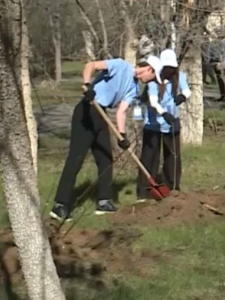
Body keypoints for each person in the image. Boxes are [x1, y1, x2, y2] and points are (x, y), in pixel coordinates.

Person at [51, 56, 163, 220]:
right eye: (153, 77)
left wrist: (122, 135)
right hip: (86, 111)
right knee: (76, 159)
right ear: (149, 69)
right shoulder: (120, 66)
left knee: (105, 159)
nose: (151, 81)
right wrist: (88, 85)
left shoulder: (134, 88)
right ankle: (59, 205)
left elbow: (121, 111)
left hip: (101, 115)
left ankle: (104, 201)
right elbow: (91, 65)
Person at [137, 49, 190, 200]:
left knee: (172, 157)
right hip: (153, 125)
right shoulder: (154, 81)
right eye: (167, 68)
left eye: (172, 68)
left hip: (172, 125)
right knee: (149, 159)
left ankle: (172, 188)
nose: (170, 71)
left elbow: (187, 91)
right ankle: (144, 192)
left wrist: (183, 96)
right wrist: (164, 114)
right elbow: (153, 101)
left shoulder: (180, 77)